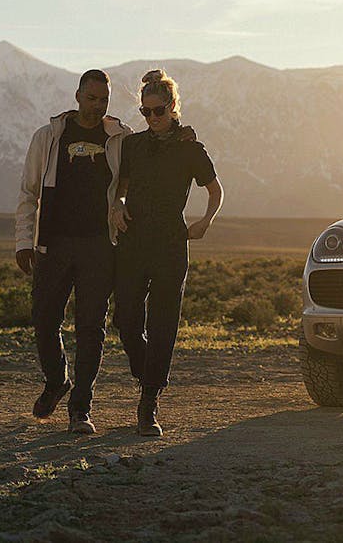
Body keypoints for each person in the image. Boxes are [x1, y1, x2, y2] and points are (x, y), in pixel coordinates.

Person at [14, 69, 131, 434]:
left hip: (100, 246)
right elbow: (29, 191)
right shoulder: (49, 138)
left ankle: (81, 408)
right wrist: (23, 241)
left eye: (103, 100)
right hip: (55, 243)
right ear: (78, 96)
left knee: (91, 328)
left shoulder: (120, 139)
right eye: (91, 98)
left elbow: (133, 186)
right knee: (45, 320)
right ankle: (56, 380)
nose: (97, 106)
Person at [111, 68, 223, 437]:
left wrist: (206, 221)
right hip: (134, 241)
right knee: (126, 318)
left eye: (158, 111)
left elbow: (215, 190)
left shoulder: (191, 149)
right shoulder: (134, 146)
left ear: (173, 106)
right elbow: (121, 188)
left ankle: (149, 402)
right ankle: (150, 374)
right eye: (146, 112)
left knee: (162, 326)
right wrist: (117, 206)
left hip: (171, 245)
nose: (152, 118)